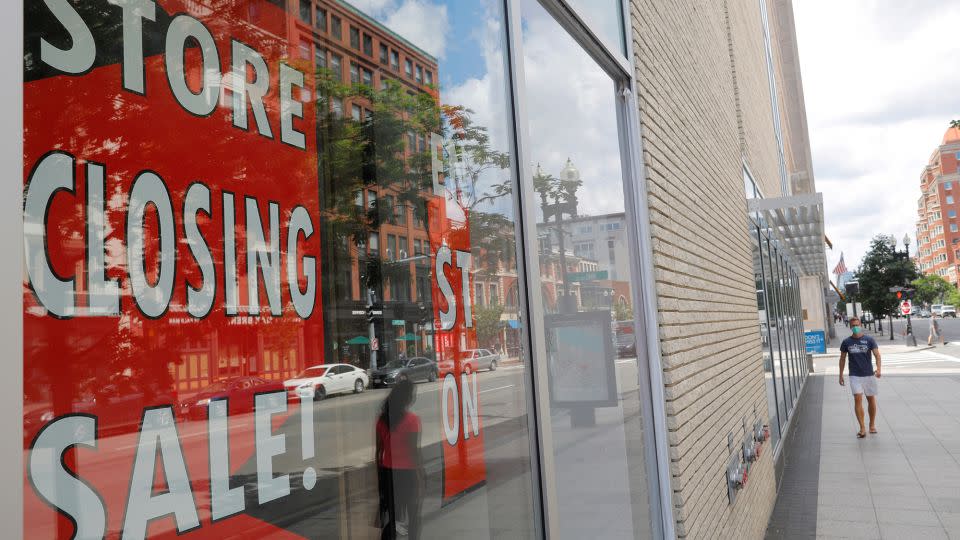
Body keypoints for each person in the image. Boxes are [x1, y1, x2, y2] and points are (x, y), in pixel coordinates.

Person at [375, 379, 422, 539]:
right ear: (406, 398)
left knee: (394, 517)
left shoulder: (382, 420)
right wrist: (420, 473)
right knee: (413, 516)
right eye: (412, 394)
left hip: (388, 472)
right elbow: (413, 451)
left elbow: (379, 452)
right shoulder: (412, 420)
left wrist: (381, 475)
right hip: (408, 474)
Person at [839, 316, 882, 438]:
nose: (855, 327)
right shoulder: (846, 342)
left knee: (871, 399)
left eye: (857, 325)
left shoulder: (869, 340)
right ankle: (862, 428)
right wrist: (840, 374)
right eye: (853, 326)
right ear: (850, 327)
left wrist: (879, 369)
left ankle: (872, 425)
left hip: (868, 374)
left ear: (860, 325)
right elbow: (842, 359)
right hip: (854, 375)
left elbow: (877, 355)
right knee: (857, 399)